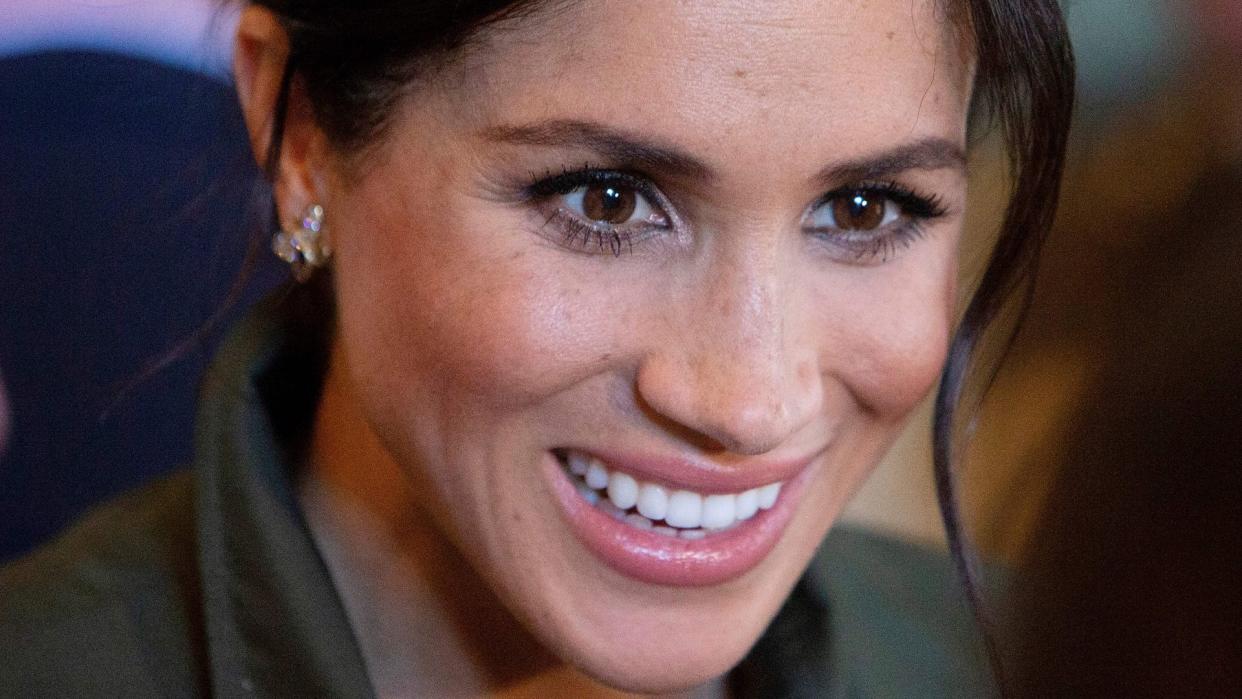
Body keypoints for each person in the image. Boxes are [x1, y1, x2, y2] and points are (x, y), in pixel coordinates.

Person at [0, 0, 1074, 696]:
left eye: (863, 209)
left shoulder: (1045, 659)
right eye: (606, 200)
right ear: (306, 137)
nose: (749, 399)